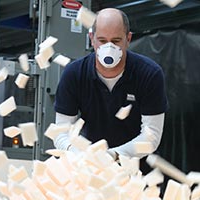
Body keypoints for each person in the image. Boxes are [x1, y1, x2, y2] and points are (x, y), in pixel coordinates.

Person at [53, 8, 168, 172]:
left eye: (115, 41)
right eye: (102, 40)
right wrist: (78, 153)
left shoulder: (149, 74)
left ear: (128, 39)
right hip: (89, 170)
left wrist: (113, 156)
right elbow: (61, 131)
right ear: (92, 39)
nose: (108, 48)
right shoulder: (74, 73)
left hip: (137, 171)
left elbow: (151, 137)